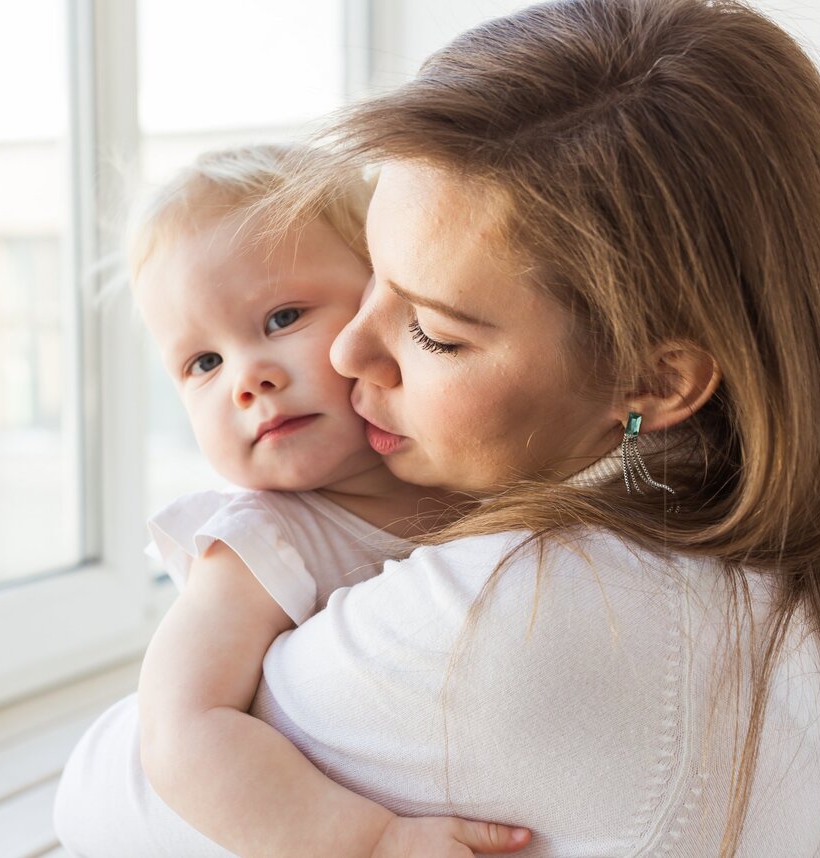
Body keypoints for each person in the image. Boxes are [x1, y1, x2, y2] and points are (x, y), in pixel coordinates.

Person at [56, 0, 820, 855]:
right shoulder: (819, 560)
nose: (352, 351)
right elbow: (169, 739)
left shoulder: (534, 614)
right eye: (374, 282)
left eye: (433, 330)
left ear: (653, 380)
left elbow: (106, 790)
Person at [55, 143, 535, 856]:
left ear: (384, 302)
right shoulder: (259, 542)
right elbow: (182, 728)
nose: (247, 380)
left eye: (282, 319)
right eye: (204, 364)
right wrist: (368, 843)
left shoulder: (479, 472)